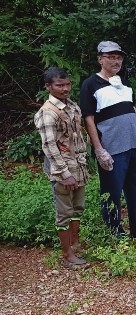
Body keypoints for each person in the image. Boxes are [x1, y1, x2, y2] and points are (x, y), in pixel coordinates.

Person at [79, 41, 136, 238]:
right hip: (112, 149)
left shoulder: (124, 83)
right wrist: (99, 149)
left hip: (134, 146)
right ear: (100, 59)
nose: (116, 61)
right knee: (112, 192)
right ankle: (115, 231)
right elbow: (89, 119)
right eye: (110, 57)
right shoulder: (90, 85)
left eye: (119, 57)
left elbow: (133, 110)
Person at [35, 67, 90, 267]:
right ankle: (67, 255)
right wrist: (64, 173)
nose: (65, 89)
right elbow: (49, 146)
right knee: (64, 212)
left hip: (78, 167)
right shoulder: (47, 113)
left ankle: (75, 244)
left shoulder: (73, 107)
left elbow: (77, 138)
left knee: (77, 207)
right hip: (63, 171)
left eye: (67, 84)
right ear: (48, 87)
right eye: (59, 85)